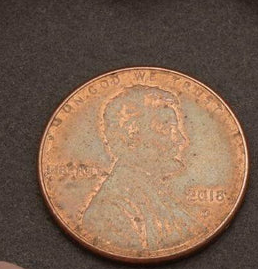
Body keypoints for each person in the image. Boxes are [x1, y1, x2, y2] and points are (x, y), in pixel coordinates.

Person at [80, 84, 197, 252]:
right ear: (132, 137)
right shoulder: (111, 211)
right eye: (167, 128)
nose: (181, 140)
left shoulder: (156, 193)